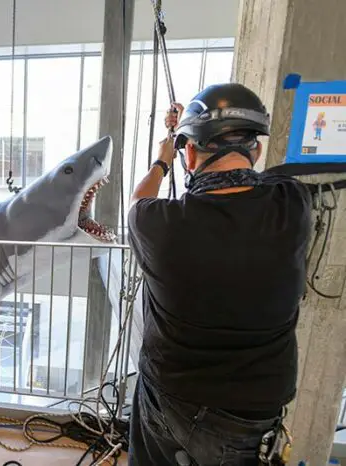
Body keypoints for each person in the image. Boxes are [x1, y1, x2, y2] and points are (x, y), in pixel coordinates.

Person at [126, 83, 311, 465]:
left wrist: (164, 157)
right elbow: (257, 182)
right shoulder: (293, 206)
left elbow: (139, 200)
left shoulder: (158, 225)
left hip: (171, 399)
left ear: (190, 154)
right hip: (251, 417)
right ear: (256, 149)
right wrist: (185, 137)